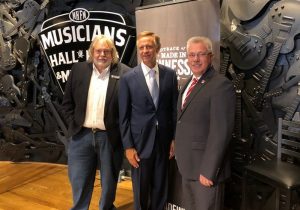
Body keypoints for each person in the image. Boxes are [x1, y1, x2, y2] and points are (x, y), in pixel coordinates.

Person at [61, 35, 130, 210]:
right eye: (98, 50)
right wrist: (73, 124)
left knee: (109, 181)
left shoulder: (126, 73)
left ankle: (106, 207)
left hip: (109, 136)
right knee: (79, 179)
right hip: (80, 135)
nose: (102, 54)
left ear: (113, 53)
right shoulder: (78, 70)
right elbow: (67, 103)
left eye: (107, 51)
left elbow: (130, 109)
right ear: (92, 52)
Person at [119, 31, 178, 210]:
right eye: (142, 47)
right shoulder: (128, 78)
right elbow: (123, 116)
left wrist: (174, 139)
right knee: (141, 189)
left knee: (161, 186)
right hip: (140, 143)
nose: (145, 50)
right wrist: (128, 147)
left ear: (157, 49)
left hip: (163, 142)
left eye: (149, 46)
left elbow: (174, 110)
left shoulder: (170, 74)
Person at [175, 36, 236, 210]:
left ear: (210, 56)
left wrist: (209, 170)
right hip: (188, 167)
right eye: (191, 55)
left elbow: (221, 132)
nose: (195, 59)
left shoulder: (221, 85)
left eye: (200, 54)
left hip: (205, 171)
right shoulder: (188, 83)